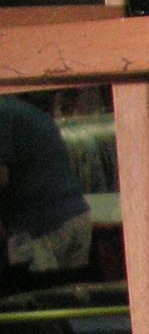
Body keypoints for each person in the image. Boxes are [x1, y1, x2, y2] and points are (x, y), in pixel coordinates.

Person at [1, 97, 93, 285]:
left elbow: (0, 177)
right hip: (76, 216)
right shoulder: (22, 111)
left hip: (38, 229)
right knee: (69, 297)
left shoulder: (3, 115)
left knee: (37, 298)